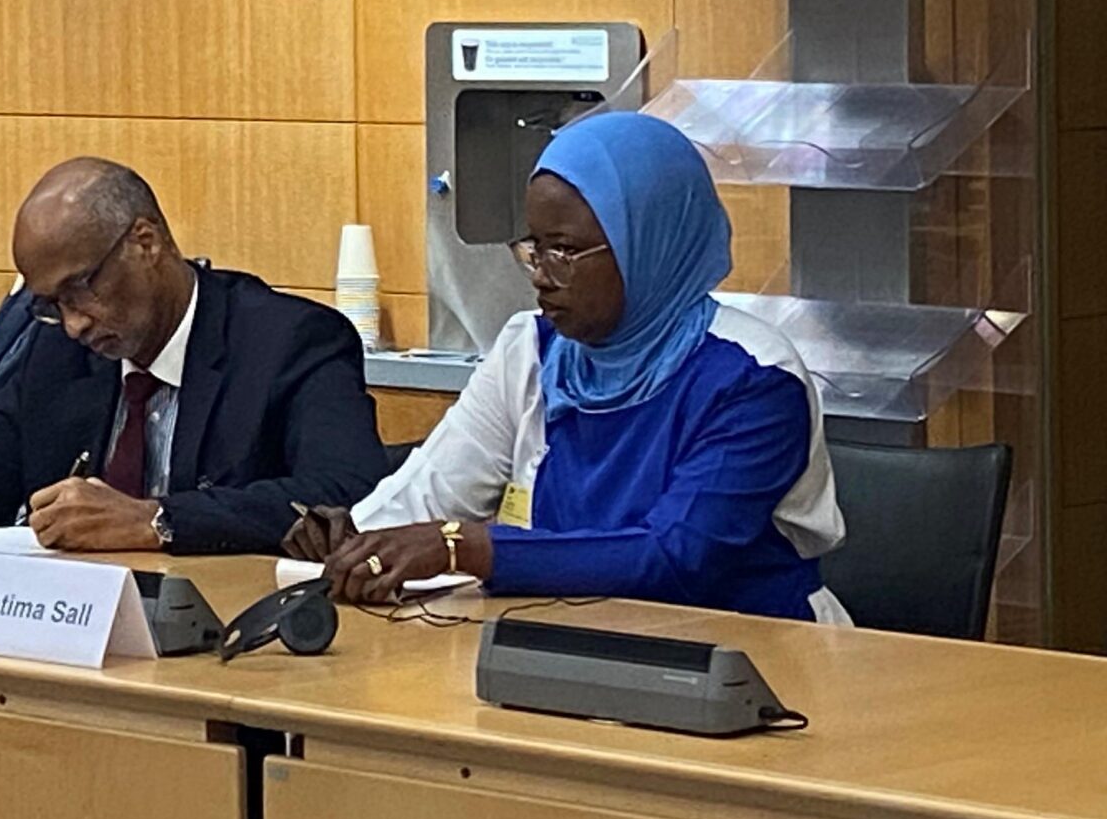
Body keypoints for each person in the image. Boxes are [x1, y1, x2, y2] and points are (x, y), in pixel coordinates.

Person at [290, 111, 846, 623]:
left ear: (647, 241)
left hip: (756, 653)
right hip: (573, 641)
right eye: (534, 248)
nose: (540, 274)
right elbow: (432, 492)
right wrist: (352, 538)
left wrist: (469, 547)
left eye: (563, 250)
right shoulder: (532, 349)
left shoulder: (754, 378)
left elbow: (676, 556)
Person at [0, 159, 391, 553]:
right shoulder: (60, 352)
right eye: (52, 304)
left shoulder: (291, 342)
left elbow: (347, 492)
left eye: (81, 289)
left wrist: (158, 521)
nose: (74, 323)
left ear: (146, 243)